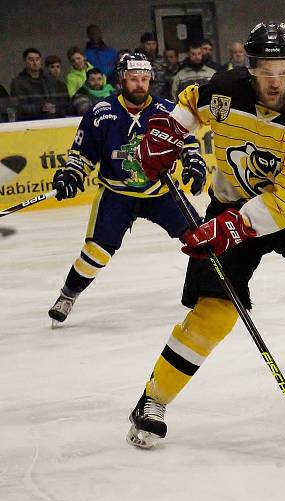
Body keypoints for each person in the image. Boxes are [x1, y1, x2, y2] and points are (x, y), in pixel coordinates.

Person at [125, 21, 285, 449]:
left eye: (284, 68)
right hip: (229, 205)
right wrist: (168, 132)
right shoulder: (225, 89)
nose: (275, 79)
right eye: (265, 69)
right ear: (250, 66)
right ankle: (152, 400)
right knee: (214, 311)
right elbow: (192, 104)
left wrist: (238, 226)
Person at [47, 52, 206, 325]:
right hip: (117, 195)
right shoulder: (101, 112)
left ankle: (208, 292)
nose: (140, 84)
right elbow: (81, 156)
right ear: (121, 80)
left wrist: (193, 161)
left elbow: (187, 143)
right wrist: (71, 175)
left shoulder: (167, 110)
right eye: (133, 79)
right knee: (96, 252)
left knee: (202, 238)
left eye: (144, 79)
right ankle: (68, 294)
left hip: (161, 193)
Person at [10, 48, 71, 120]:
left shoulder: (50, 79)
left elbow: (64, 101)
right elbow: (19, 106)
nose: (35, 62)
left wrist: (55, 108)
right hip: (31, 122)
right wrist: (40, 107)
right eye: (31, 59)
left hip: (55, 120)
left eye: (37, 59)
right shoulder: (18, 82)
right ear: (25, 61)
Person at [139, 32, 168, 98]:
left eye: (153, 44)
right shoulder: (138, 61)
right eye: (148, 44)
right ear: (142, 45)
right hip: (144, 96)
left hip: (162, 96)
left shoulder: (162, 60)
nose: (151, 47)